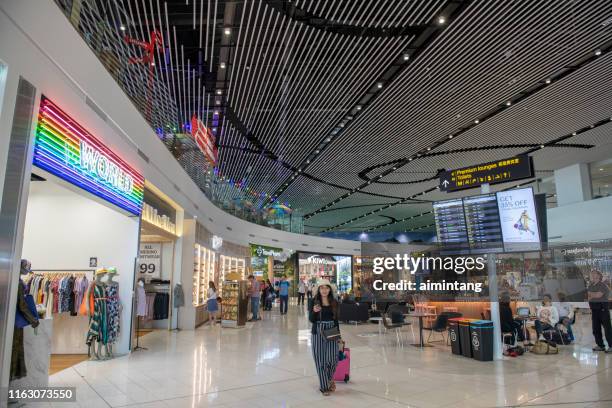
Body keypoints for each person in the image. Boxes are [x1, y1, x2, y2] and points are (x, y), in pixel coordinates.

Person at [309, 279, 340, 396]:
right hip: (318, 329)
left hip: (331, 329)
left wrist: (339, 338)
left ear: (330, 289)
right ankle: (324, 386)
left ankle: (329, 378)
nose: (324, 290)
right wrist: (315, 312)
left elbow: (336, 320)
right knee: (320, 360)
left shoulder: (335, 302)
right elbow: (311, 319)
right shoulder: (314, 301)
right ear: (319, 289)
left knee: (333, 358)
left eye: (326, 288)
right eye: (322, 288)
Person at [11, 260, 40, 381]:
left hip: (11, 323)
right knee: (13, 355)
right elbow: (22, 305)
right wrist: (33, 320)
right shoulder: (17, 283)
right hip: (15, 324)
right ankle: (5, 395)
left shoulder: (13, 280)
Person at [587, 270, 611, 352]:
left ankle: (611, 346)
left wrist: (592, 294)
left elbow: (598, 295)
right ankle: (600, 345)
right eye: (591, 274)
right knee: (596, 329)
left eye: (594, 274)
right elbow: (589, 297)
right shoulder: (590, 285)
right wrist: (592, 295)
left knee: (607, 329)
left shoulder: (603, 285)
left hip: (603, 309)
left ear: (599, 276)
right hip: (594, 310)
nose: (592, 276)